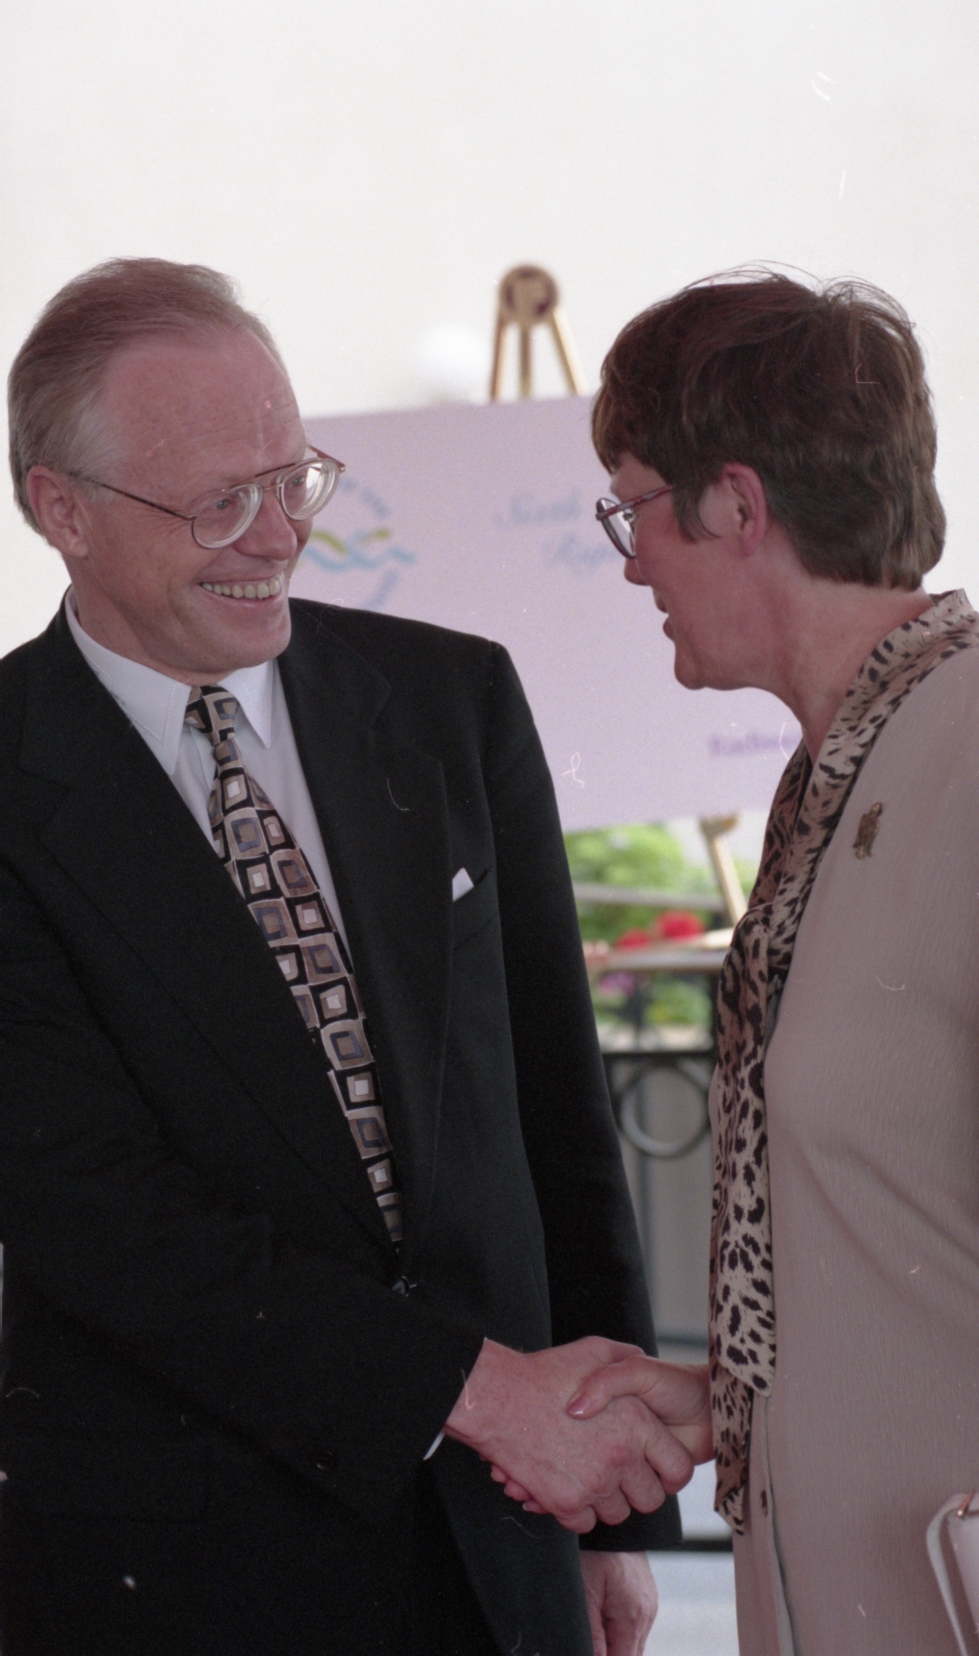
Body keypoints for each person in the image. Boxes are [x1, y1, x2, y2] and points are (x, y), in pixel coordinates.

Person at [0, 258, 690, 1656]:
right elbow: (98, 1216)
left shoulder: (450, 700)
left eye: (294, 478)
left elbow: (557, 1111)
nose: (277, 537)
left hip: (509, 1535)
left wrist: (614, 1518)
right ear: (59, 509)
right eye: (218, 502)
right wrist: (476, 1395)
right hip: (181, 1570)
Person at [568, 270, 979, 1654]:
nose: (632, 562)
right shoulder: (842, 767)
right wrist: (733, 1396)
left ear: (738, 506)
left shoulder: (964, 745)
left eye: (634, 508)